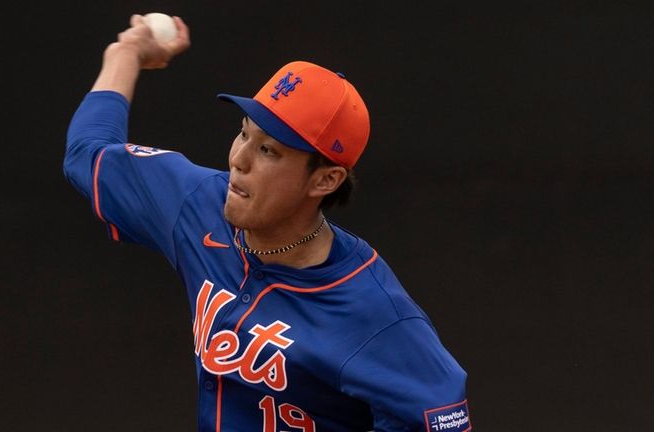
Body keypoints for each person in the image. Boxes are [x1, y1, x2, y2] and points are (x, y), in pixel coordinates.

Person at [64, 14, 470, 432]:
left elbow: (443, 421)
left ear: (326, 179)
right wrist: (126, 53)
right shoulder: (198, 204)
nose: (238, 160)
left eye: (268, 151)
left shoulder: (375, 315)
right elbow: (88, 153)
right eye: (243, 134)